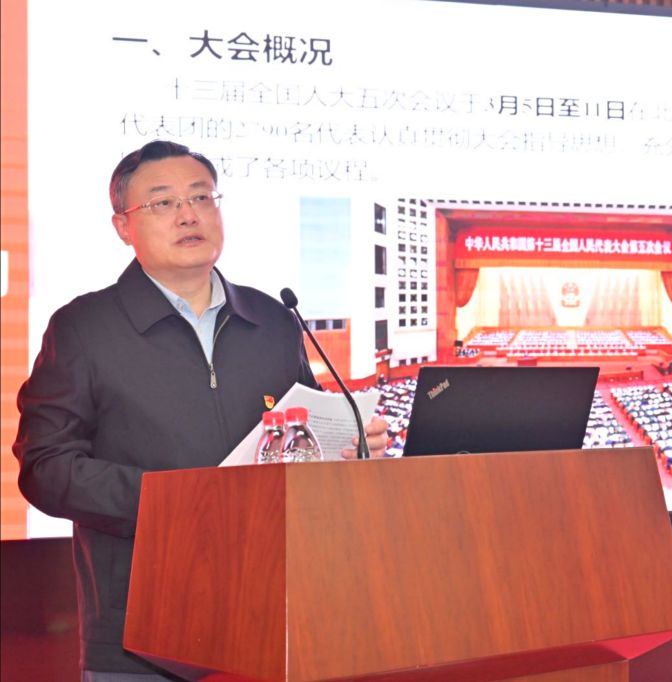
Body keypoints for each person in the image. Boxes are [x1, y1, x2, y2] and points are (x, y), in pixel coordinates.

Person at [12, 140, 391, 680]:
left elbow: (296, 439)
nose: (188, 214)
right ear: (122, 226)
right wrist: (179, 501)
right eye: (163, 202)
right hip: (140, 632)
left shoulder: (272, 319)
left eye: (201, 197)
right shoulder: (84, 328)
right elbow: (46, 468)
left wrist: (348, 447)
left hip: (275, 614)